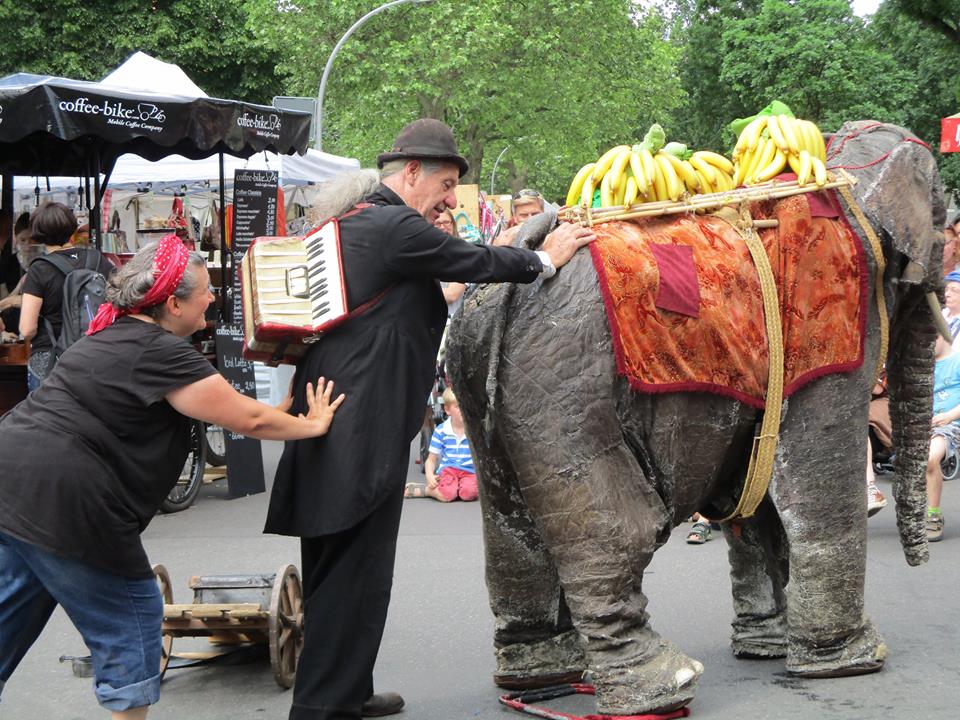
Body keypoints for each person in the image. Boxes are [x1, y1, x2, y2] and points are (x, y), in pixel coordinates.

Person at [263, 118, 595, 720]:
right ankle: (323, 708)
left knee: (345, 568)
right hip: (357, 425)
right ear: (411, 173)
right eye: (444, 184)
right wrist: (542, 258)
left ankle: (348, 689)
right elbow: (468, 259)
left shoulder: (361, 222)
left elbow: (419, 292)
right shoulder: (393, 224)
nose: (449, 199)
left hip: (340, 413)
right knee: (351, 572)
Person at [0, 235, 345, 719]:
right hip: (67, 496)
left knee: (9, 613)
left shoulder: (110, 335)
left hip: (11, 479)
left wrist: (271, 412)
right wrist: (312, 425)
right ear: (172, 303)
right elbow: (250, 422)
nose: (212, 298)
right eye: (204, 291)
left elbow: (236, 409)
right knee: (134, 617)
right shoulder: (162, 352)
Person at [18, 202, 116, 391]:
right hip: (96, 356)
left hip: (51, 360)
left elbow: (27, 328)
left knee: (48, 419)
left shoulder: (39, 269)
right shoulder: (98, 260)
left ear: (38, 233)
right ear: (72, 229)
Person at [926, 334, 960, 542]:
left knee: (931, 457)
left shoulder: (957, 361)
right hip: (923, 427)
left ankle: (933, 516)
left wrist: (949, 416)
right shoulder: (921, 367)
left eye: (932, 337)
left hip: (952, 425)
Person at [423, 388, 477, 502]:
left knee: (468, 494)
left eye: (465, 406)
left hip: (469, 471)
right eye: (458, 406)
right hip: (449, 470)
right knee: (446, 495)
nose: (462, 410)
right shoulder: (441, 431)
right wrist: (429, 476)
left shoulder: (474, 430)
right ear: (447, 410)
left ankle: (457, 487)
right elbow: (431, 460)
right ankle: (428, 491)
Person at [433, 209, 467, 313]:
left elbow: (452, 294)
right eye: (437, 223)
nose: (443, 227)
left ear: (453, 224)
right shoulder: (426, 253)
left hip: (451, 321)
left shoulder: (462, 254)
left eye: (446, 222)